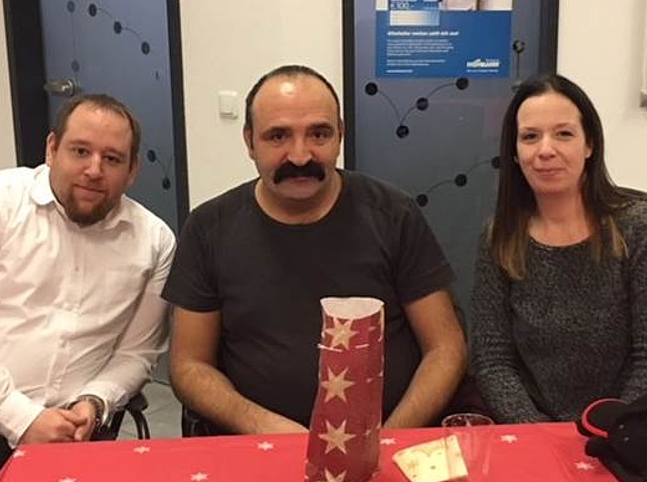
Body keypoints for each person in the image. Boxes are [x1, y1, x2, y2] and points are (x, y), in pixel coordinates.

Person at [163, 64, 467, 435]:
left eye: (319, 134)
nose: (300, 156)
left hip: (390, 439)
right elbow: (189, 366)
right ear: (249, 141)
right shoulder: (208, 228)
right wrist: (265, 428)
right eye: (278, 136)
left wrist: (384, 441)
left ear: (341, 135)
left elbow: (445, 348)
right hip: (255, 444)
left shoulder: (394, 215)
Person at [0, 94, 176, 482]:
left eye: (112, 159)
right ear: (51, 149)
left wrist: (96, 401)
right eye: (80, 151)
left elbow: (138, 352)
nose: (94, 170)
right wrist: (22, 419)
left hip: (76, 436)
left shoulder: (155, 242)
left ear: (132, 170)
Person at [469, 73, 647, 424]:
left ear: (589, 145)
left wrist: (605, 434)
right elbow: (492, 359)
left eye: (564, 134)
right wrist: (538, 434)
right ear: (514, 152)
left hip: (640, 425)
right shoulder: (500, 237)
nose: (545, 150)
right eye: (530, 137)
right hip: (541, 429)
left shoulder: (640, 227)